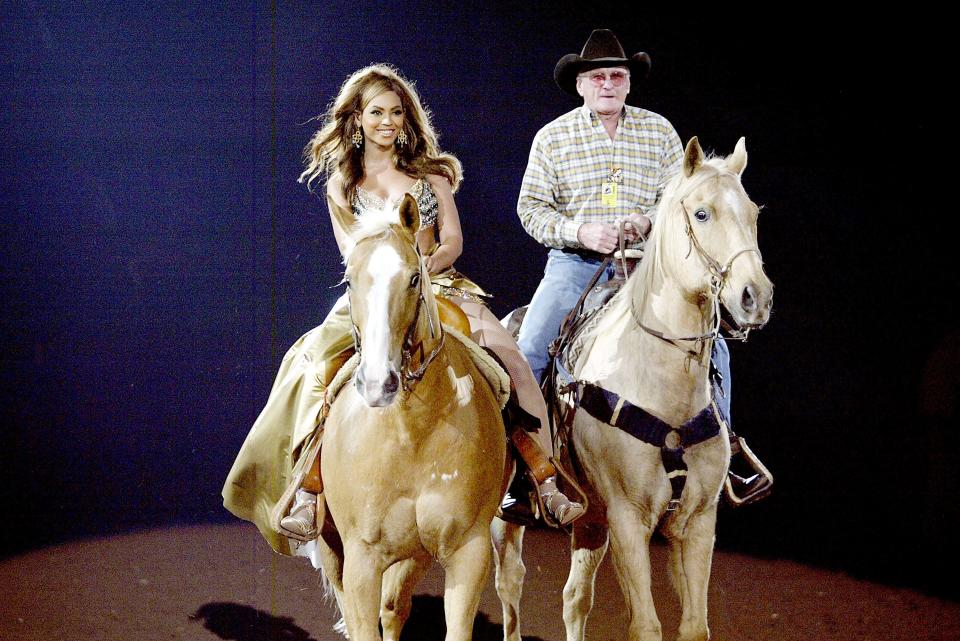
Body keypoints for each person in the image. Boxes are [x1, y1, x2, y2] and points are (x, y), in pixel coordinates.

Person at [222, 65, 583, 556]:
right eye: (376, 113)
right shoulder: (340, 186)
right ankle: (308, 484)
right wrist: (391, 278)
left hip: (439, 285)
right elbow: (354, 255)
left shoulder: (431, 176)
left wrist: (421, 268)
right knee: (314, 366)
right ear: (357, 119)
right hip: (373, 293)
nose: (387, 121)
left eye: (395, 113)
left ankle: (541, 476)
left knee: (511, 361)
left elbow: (452, 240)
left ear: (407, 119)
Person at [515, 30, 772, 505]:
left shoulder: (659, 132)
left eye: (616, 75)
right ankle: (526, 466)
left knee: (713, 347)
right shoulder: (552, 138)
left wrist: (649, 220)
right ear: (581, 85)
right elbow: (530, 208)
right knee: (530, 348)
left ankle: (727, 448)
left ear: (628, 83)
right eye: (597, 77)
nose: (607, 84)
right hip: (576, 264)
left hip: (649, 268)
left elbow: (682, 200)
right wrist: (580, 232)